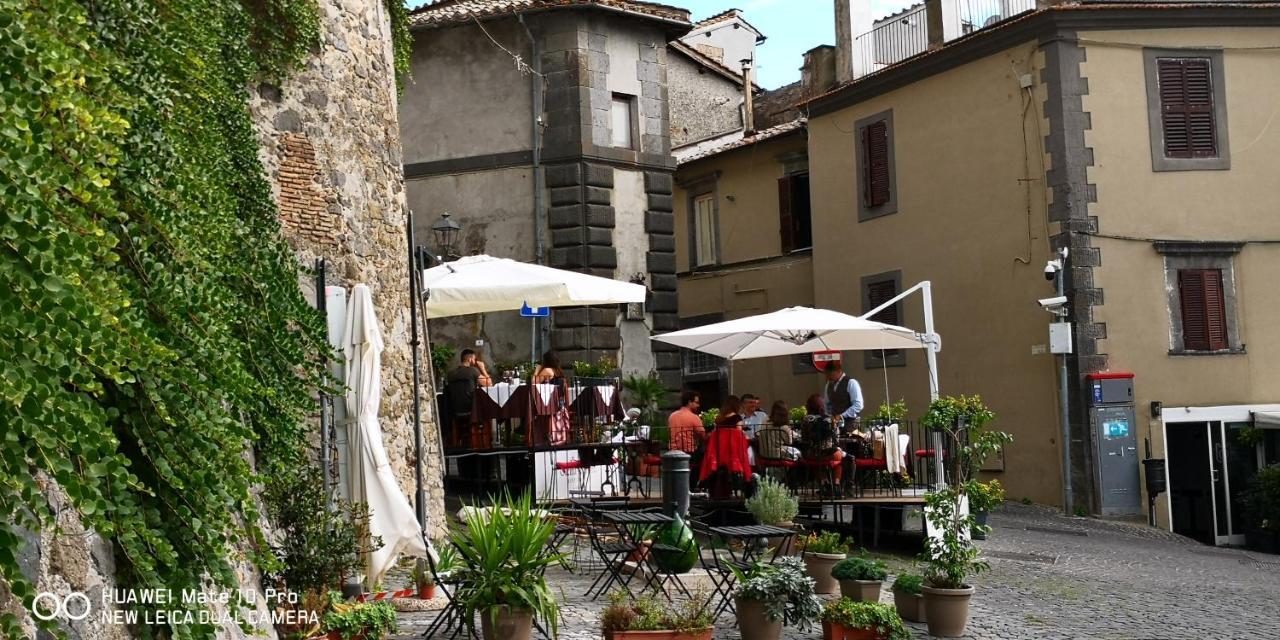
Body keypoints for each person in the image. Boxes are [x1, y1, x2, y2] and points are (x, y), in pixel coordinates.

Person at [821, 362, 864, 431]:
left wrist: (842, 415)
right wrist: (829, 416)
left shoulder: (851, 383)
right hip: (835, 427)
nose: (828, 377)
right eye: (826, 374)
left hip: (851, 425)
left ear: (839, 371)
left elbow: (858, 405)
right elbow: (827, 404)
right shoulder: (828, 385)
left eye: (830, 374)